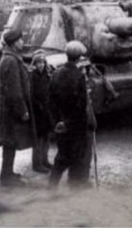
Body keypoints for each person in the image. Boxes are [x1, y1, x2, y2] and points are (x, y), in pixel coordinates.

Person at [48, 40, 96, 189]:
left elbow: (50, 101)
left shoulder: (56, 73)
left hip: (61, 124)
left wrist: (57, 122)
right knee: (77, 156)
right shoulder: (79, 76)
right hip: (76, 126)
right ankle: (75, 186)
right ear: (79, 57)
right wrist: (87, 124)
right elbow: (81, 106)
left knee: (62, 156)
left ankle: (52, 185)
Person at [0, 29, 35, 187]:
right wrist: (22, 110)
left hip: (8, 109)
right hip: (11, 110)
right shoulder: (11, 61)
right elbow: (14, 90)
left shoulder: (10, 58)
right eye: (20, 40)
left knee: (10, 143)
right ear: (13, 43)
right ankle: (6, 177)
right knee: (10, 142)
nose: (22, 43)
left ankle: (8, 173)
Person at [30, 51, 52, 173]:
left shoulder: (46, 74)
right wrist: (39, 105)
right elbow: (31, 94)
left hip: (46, 111)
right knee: (38, 139)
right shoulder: (32, 76)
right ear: (35, 63)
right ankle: (37, 164)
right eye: (38, 62)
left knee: (46, 136)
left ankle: (45, 160)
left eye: (43, 62)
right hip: (38, 112)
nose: (41, 65)